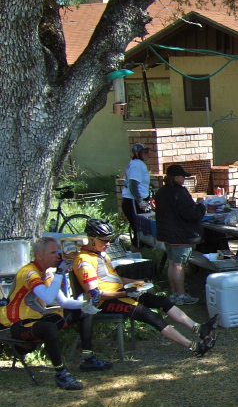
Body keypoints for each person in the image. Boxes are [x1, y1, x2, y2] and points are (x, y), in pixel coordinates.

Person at [73, 219, 218, 357]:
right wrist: (126, 292)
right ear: (92, 239)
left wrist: (137, 282)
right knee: (153, 317)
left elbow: (115, 279)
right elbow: (96, 295)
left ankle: (199, 328)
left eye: (109, 240)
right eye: (104, 241)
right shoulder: (84, 261)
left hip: (121, 293)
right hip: (106, 302)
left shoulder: (101, 255)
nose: (108, 244)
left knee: (162, 301)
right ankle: (194, 347)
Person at [0, 237, 110, 390]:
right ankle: (61, 373)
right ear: (39, 256)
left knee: (84, 311)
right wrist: (60, 273)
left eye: (58, 252)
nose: (58, 256)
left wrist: (86, 304)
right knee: (48, 328)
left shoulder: (46, 274)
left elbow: (63, 302)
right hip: (17, 325)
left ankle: (88, 357)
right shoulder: (29, 273)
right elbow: (47, 297)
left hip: (37, 320)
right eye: (53, 253)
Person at [154, 164, 205, 305]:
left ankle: (174, 293)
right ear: (176, 177)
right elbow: (191, 214)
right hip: (180, 234)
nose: (184, 179)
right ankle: (182, 295)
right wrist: (201, 206)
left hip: (167, 233)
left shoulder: (162, 191)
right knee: (179, 265)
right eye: (183, 176)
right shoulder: (180, 193)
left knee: (172, 263)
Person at [123, 143, 152, 245]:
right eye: (144, 152)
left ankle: (140, 254)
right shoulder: (137, 165)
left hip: (135, 201)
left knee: (141, 231)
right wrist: (140, 201)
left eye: (148, 152)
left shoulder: (136, 163)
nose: (147, 154)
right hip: (133, 202)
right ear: (137, 153)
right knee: (139, 232)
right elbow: (133, 184)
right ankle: (136, 255)